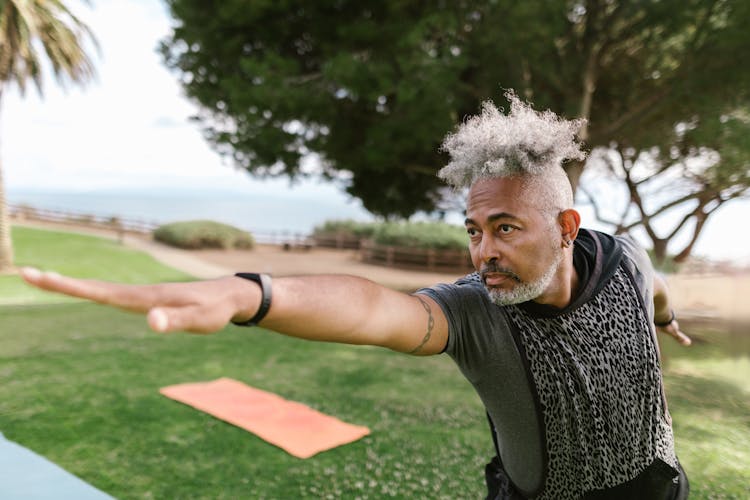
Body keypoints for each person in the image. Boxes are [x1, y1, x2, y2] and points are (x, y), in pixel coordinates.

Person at [21, 92, 691, 499]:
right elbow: (376, 310)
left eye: (506, 228)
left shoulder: (627, 258)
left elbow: (653, 293)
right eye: (474, 230)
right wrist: (252, 293)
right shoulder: (475, 313)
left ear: (567, 227)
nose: (484, 251)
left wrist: (669, 318)